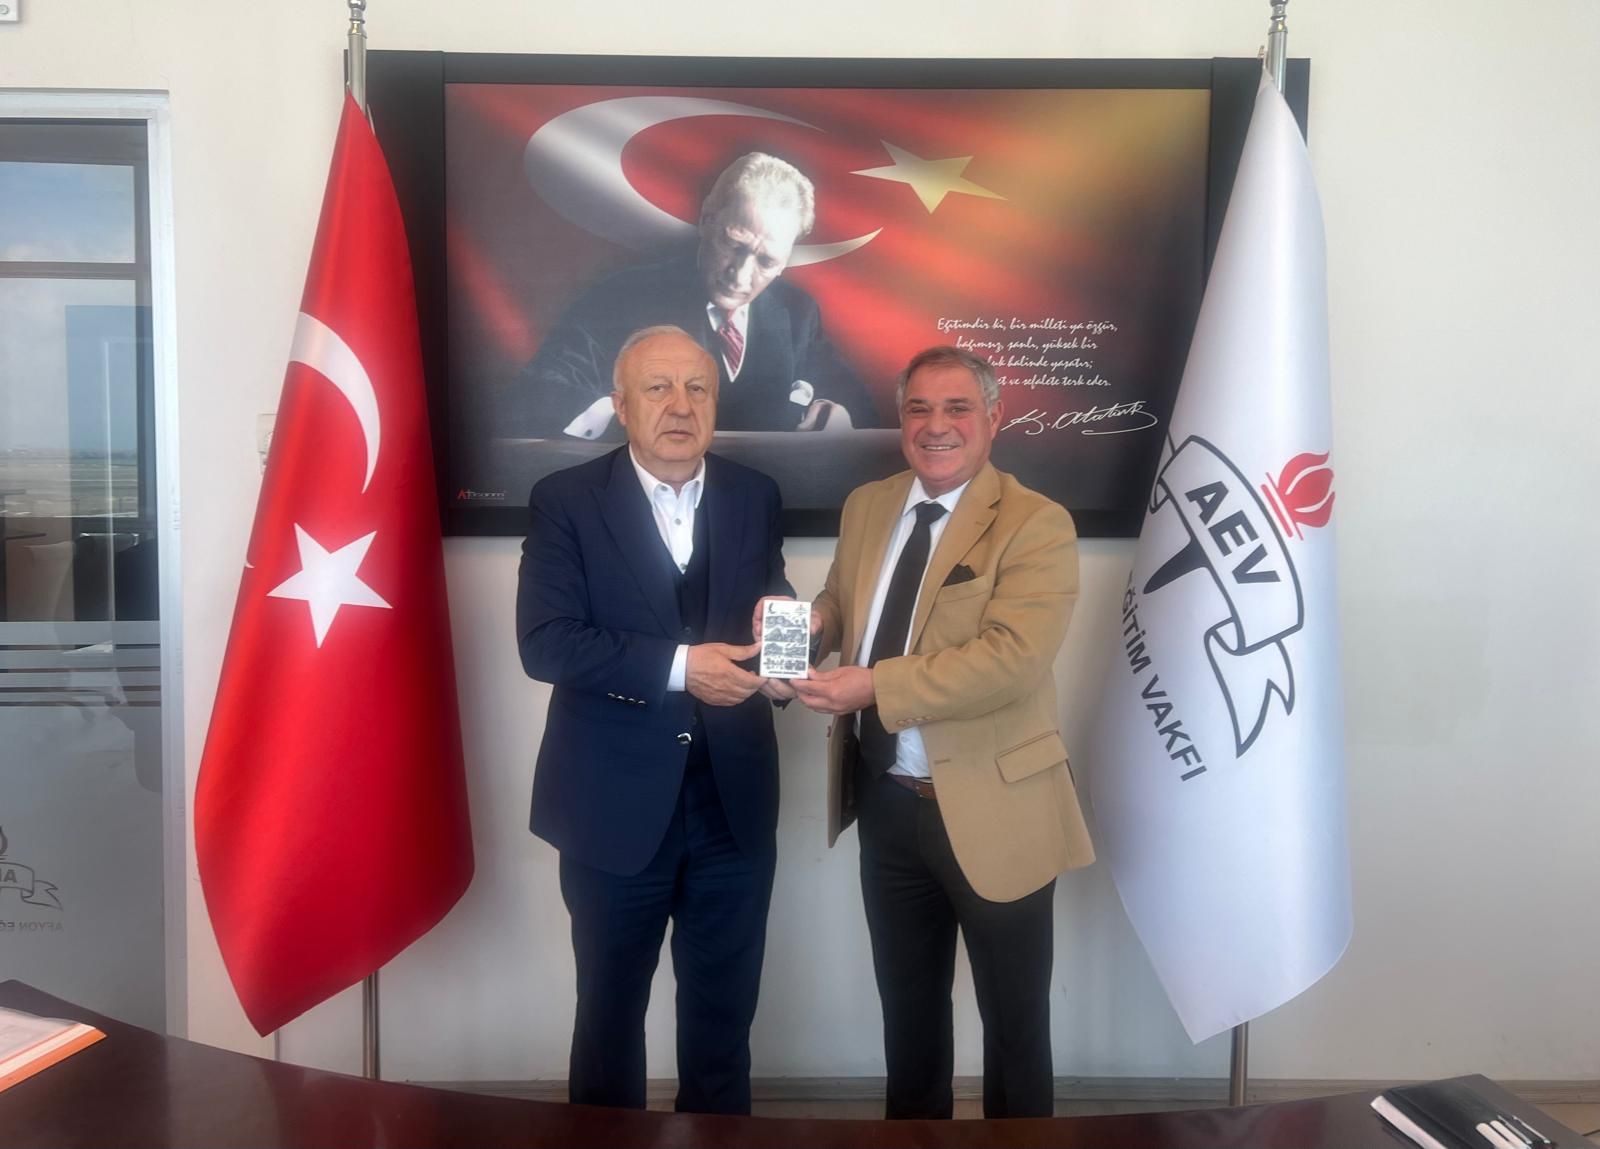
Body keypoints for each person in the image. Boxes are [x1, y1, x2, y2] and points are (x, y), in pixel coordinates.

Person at [789, 345, 1095, 1120]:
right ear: (901, 420)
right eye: (919, 408)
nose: (937, 425)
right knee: (910, 1024)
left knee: (1015, 1029)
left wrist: (873, 685)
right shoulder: (868, 505)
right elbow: (842, 599)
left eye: (957, 408)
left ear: (994, 417)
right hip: (887, 803)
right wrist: (808, 626)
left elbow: (1011, 660)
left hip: (1000, 808)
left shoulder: (1037, 523)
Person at [516, 325, 793, 1114]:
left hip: (733, 802)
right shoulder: (566, 501)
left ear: (716, 402)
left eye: (697, 388)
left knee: (723, 1021)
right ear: (621, 405)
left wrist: (786, 664)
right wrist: (681, 668)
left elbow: (771, 600)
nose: (680, 405)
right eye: (658, 388)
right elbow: (546, 642)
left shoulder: (754, 494)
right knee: (609, 1020)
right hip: (611, 805)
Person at [509, 152, 878, 439]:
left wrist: (839, 416)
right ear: (707, 221)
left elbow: (860, 406)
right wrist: (619, 415)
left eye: (766, 261)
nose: (740, 275)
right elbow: (537, 394)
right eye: (733, 245)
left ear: (785, 261)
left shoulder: (797, 311)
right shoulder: (621, 298)